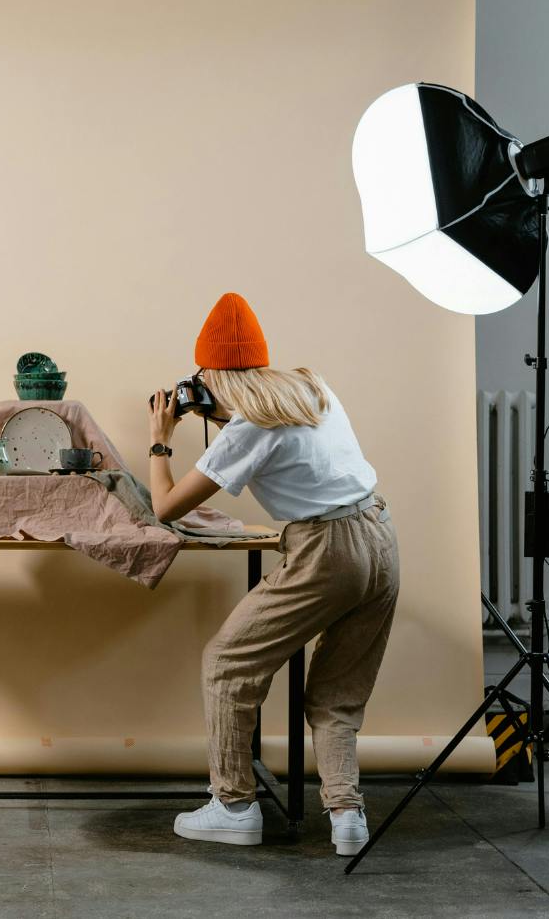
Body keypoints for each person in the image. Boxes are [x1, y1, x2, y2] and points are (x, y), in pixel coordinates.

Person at [147, 292, 399, 857]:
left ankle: (234, 807)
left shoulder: (247, 431)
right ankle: (347, 817)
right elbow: (280, 437)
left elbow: (165, 506)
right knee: (336, 694)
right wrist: (219, 410)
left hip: (326, 551)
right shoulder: (312, 386)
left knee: (227, 663)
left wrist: (161, 436)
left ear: (210, 376)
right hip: (380, 537)